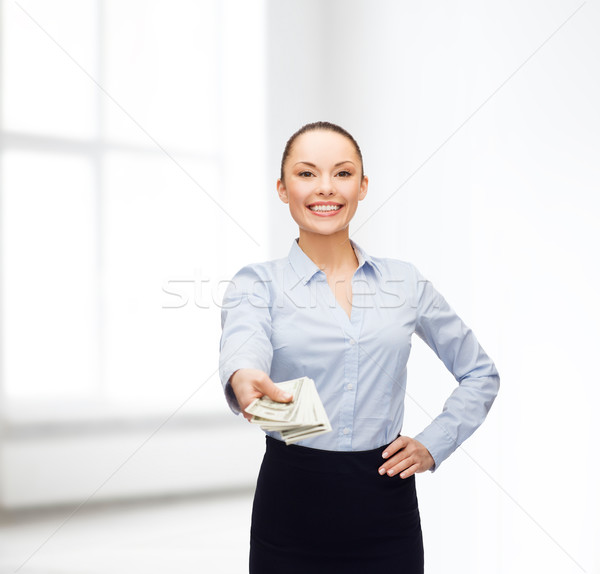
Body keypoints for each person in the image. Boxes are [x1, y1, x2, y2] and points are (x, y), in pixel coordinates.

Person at [218, 121, 500, 573]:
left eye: (343, 173)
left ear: (363, 186)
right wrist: (244, 375)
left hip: (386, 507)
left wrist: (434, 443)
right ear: (282, 188)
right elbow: (244, 342)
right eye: (307, 174)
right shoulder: (258, 283)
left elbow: (480, 373)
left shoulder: (404, 281)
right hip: (290, 503)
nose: (325, 188)